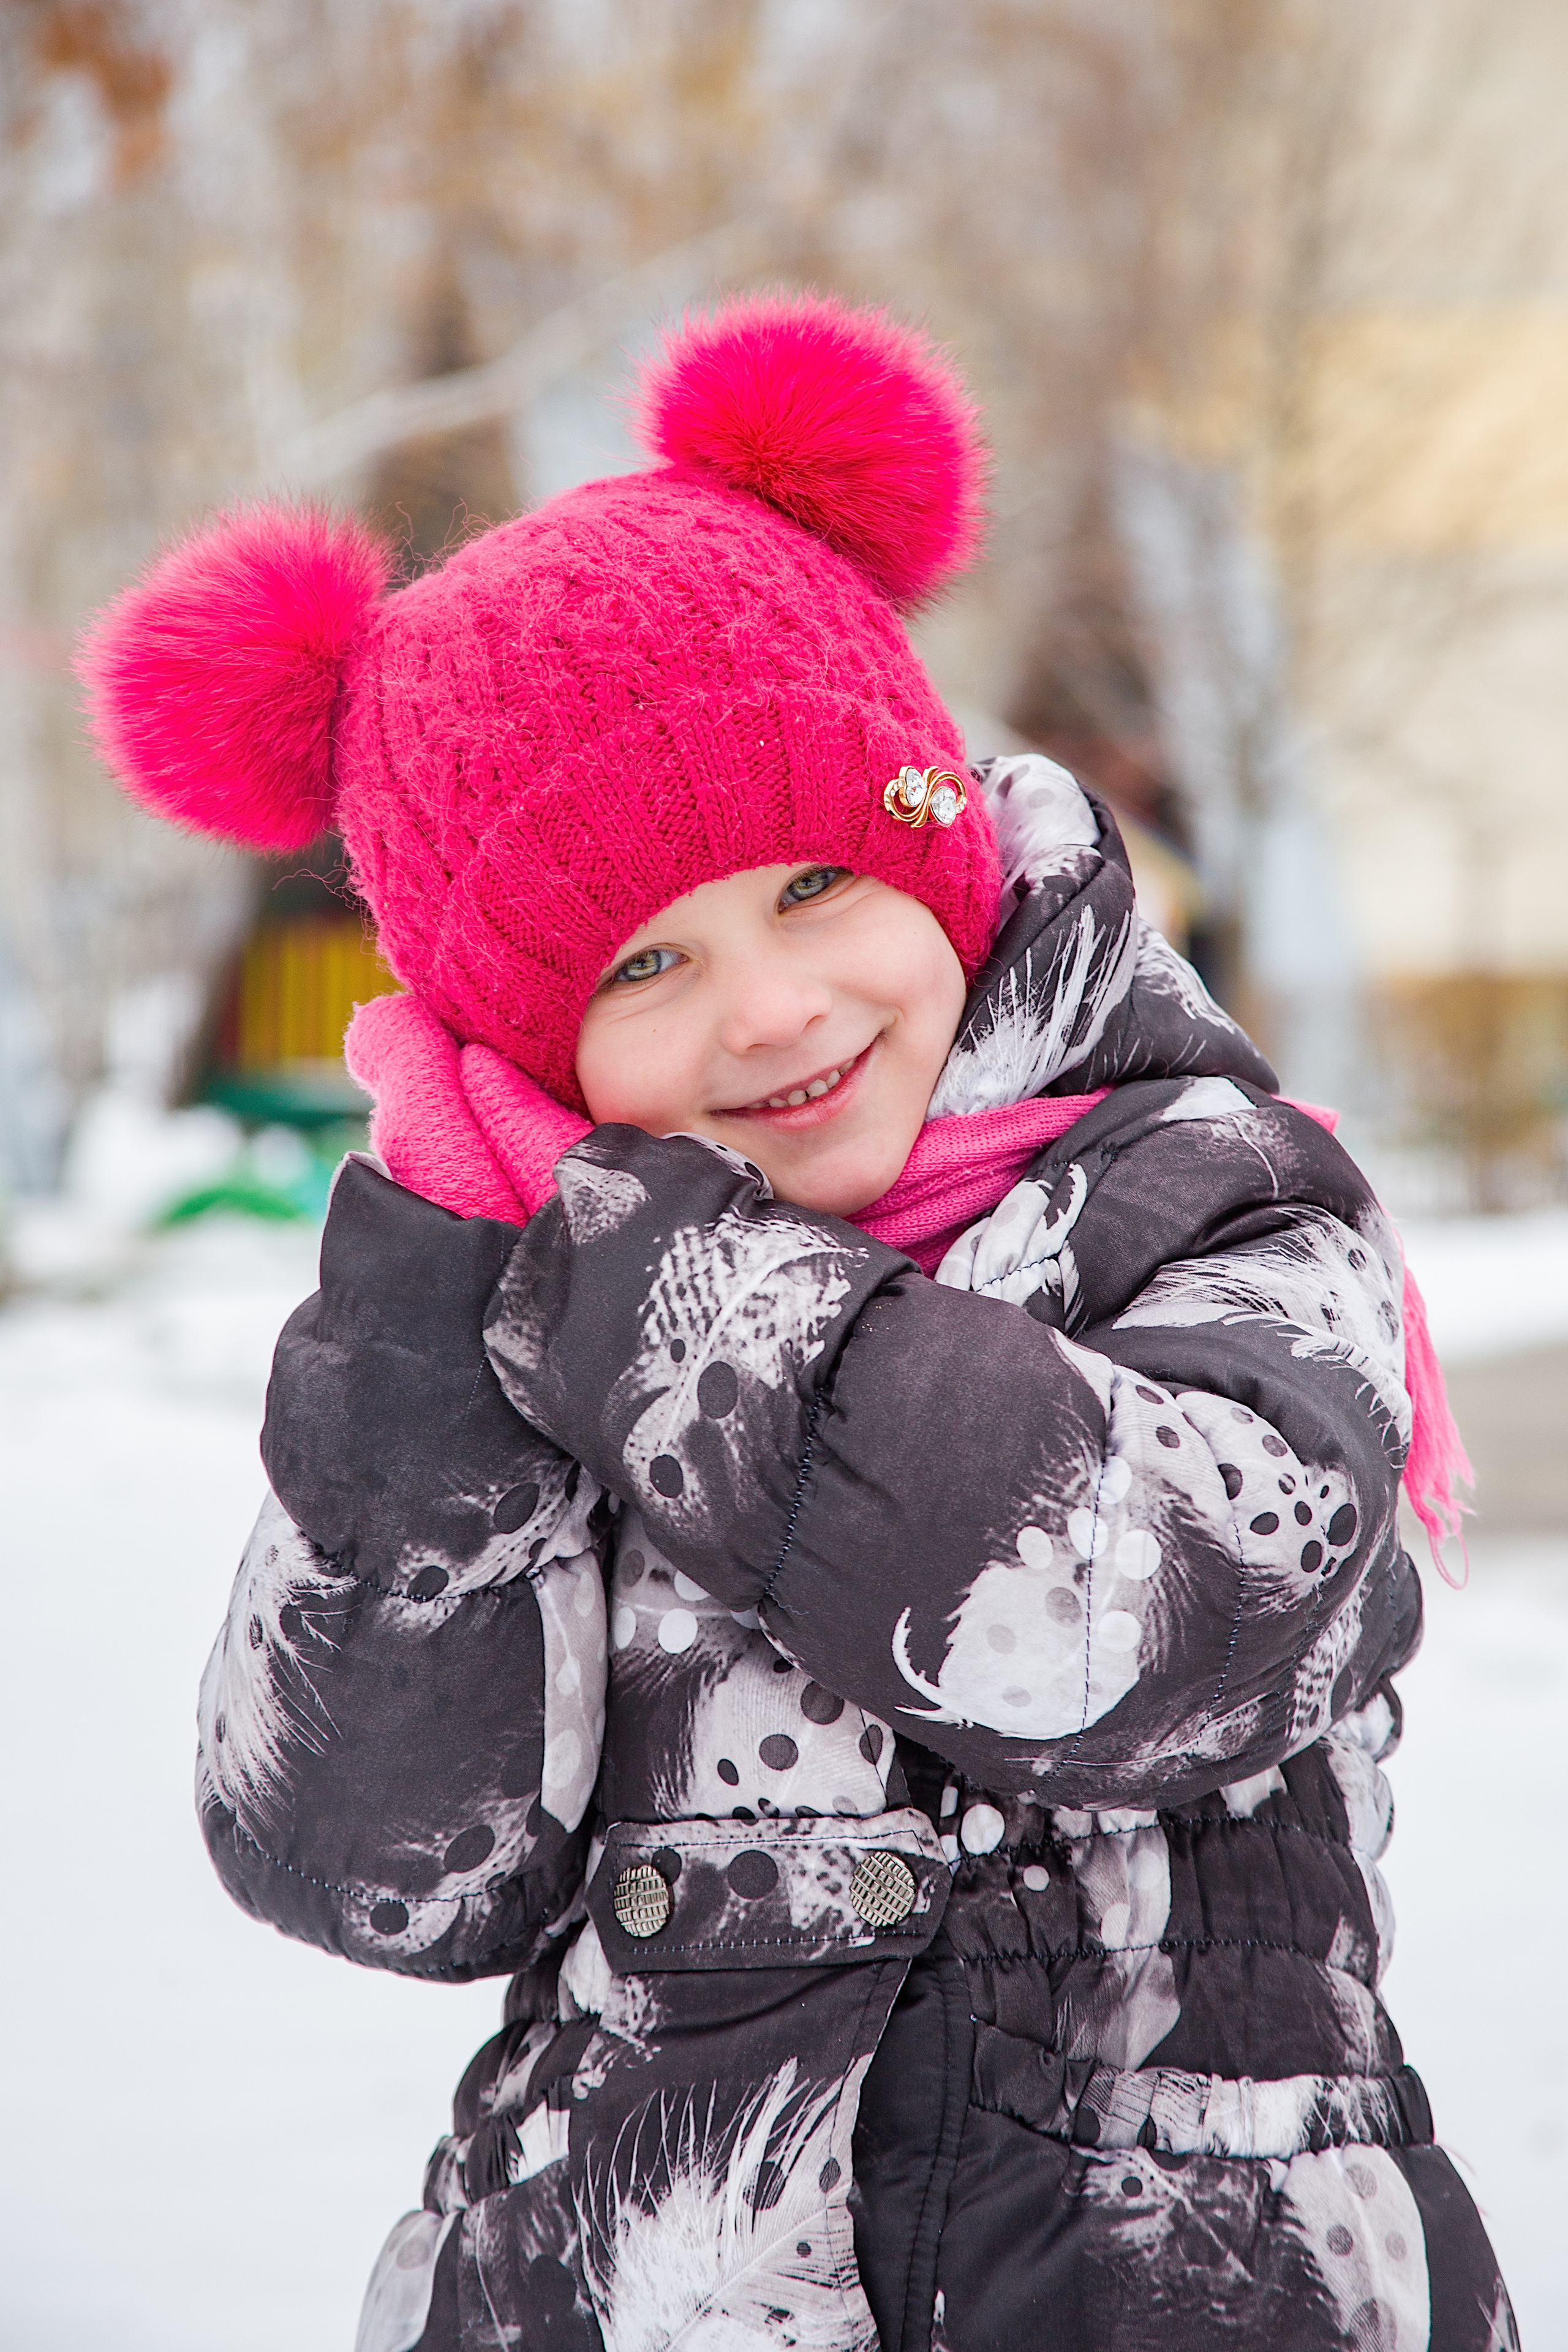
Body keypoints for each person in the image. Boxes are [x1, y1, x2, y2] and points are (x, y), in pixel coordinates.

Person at [79, 292, 1513, 2352]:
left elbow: (1149, 1627)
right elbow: (372, 1865)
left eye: (818, 885)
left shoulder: (1212, 1196)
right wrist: (425, 1330)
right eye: (643, 964)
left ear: (937, 834)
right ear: (526, 1037)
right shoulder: (506, 1314)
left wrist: (657, 1289)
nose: (766, 1008)